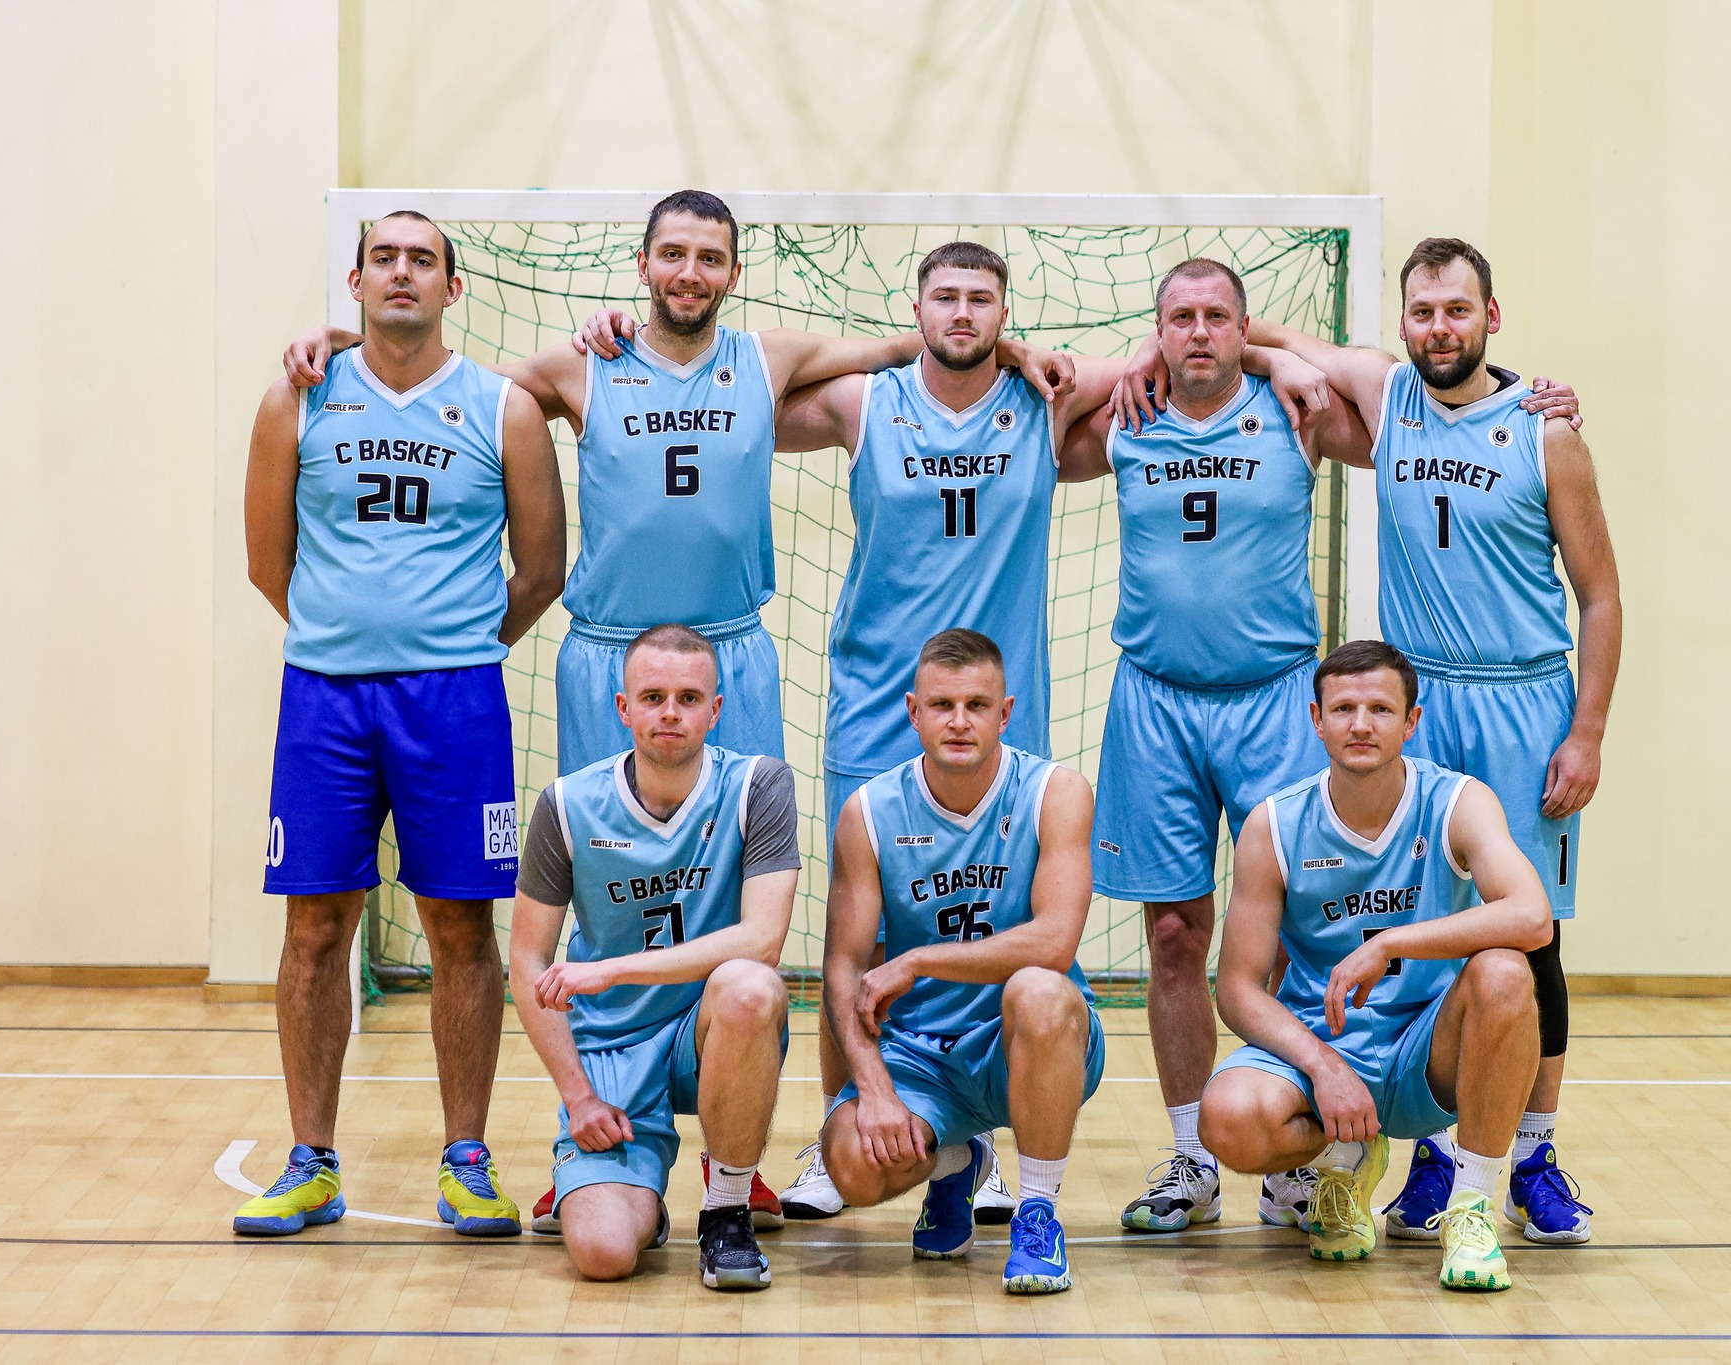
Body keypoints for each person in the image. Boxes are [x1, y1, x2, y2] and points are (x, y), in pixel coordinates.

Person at [288, 190, 1055, 1221]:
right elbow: (443, 385)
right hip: (610, 655)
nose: (690, 272)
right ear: (642, 264)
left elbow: (914, 344)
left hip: (732, 653)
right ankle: (588, 1127)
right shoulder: (580, 365)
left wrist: (1010, 346)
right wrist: (347, 346)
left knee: (743, 905)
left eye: (709, 257)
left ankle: (734, 1157)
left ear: (732, 271)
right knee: (601, 894)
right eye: (673, 254)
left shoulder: (767, 359)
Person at [1227, 238, 1621, 1245]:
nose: (1439, 328)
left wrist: (1585, 731)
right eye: (1422, 311)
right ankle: (1431, 1155)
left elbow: (1600, 595)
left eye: (1457, 310)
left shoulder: (1546, 432)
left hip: (1522, 700)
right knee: (1417, 919)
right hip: (1419, 697)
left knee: (1528, 938)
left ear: (1492, 316)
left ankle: (1529, 1157)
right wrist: (1236, 356)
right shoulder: (1386, 391)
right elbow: (1261, 333)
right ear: (1401, 320)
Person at [755, 240, 1123, 1221]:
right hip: (877, 703)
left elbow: (1156, 365)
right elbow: (753, 388)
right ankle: (844, 1122)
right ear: (915, 307)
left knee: (999, 922)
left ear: (1005, 311)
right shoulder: (863, 402)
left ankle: (982, 1136)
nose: (962, 312)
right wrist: (889, 348)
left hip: (995, 710)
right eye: (945, 297)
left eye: (981, 300)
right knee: (857, 930)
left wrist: (1032, 356)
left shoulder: (1042, 404)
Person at [234, 210, 567, 1237]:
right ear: (356, 280)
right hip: (325, 699)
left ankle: (466, 1158)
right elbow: (267, 564)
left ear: (452, 288)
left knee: (461, 927)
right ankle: (311, 1161)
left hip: (455, 701)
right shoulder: (297, 398)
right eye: (384, 257)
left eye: (423, 260)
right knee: (314, 927)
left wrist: (452, 646)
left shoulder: (504, 408)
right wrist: (348, 636)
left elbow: (542, 571)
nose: (402, 274)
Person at [1055, 259, 1371, 1234]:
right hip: (1155, 702)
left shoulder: (1299, 411)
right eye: (1180, 318)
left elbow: (1398, 394)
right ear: (1157, 332)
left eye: (1217, 317)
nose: (1198, 332)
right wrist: (1127, 363)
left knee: (1290, 935)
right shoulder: (1123, 417)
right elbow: (1030, 398)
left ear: (1242, 328)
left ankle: (1284, 1154)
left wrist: (1284, 354)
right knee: (1172, 937)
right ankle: (1193, 1158)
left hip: (1273, 698)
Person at [1199, 640, 1552, 1292]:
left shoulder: (1458, 801)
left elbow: (1533, 916)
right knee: (1226, 1118)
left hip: (1426, 1051)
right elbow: (1239, 989)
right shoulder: (1273, 825)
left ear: (1411, 721)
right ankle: (1345, 1158)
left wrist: (1393, 942)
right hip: (1322, 1042)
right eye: (1344, 709)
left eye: (1381, 709)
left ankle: (1471, 1205)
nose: (1361, 724)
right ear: (1317, 719)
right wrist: (1322, 1065)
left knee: (1505, 971)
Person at [508, 625, 800, 1290]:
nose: (671, 712)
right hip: (613, 1044)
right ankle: (633, 1198)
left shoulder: (758, 786)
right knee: (604, 1253)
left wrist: (613, 968)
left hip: (710, 1028)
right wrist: (579, 1097)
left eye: (689, 698)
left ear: (715, 710)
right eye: (653, 697)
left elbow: (762, 939)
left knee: (751, 986)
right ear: (624, 708)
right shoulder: (567, 804)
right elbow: (527, 958)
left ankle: (726, 1209)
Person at [818, 629, 1106, 1295]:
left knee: (1039, 989)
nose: (958, 721)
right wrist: (875, 1089)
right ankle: (953, 1160)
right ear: (912, 711)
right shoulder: (868, 811)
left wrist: (919, 958)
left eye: (977, 705)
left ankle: (1037, 1212)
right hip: (921, 1054)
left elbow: (1054, 943)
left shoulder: (1055, 792)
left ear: (1005, 713)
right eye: (942, 705)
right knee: (851, 1165)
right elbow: (841, 968)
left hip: (1028, 1042)